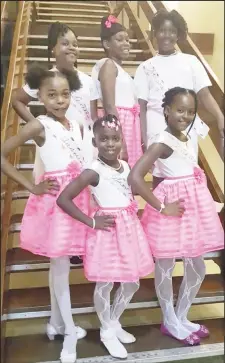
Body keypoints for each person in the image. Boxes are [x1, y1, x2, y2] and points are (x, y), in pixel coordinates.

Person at [2, 65, 93, 363]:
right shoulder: (38, 125)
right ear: (39, 96)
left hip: (76, 200)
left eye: (65, 94)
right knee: (61, 268)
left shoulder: (76, 123)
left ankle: (56, 322)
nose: (59, 100)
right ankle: (68, 332)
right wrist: (31, 185)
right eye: (51, 95)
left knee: (62, 266)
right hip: (55, 204)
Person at [128, 87, 224, 346]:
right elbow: (134, 177)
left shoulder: (185, 137)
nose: (186, 116)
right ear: (167, 110)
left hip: (193, 210)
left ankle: (181, 316)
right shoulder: (161, 141)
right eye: (180, 110)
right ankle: (169, 319)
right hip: (171, 211)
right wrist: (161, 207)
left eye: (191, 112)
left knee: (198, 267)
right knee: (166, 266)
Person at [56, 115, 154, 359]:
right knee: (107, 283)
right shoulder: (92, 170)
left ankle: (113, 322)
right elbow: (63, 199)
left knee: (132, 281)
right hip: (108, 232)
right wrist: (91, 221)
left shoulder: (126, 166)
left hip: (128, 230)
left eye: (115, 138)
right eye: (104, 139)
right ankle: (106, 332)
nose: (110, 144)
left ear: (121, 139)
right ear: (95, 141)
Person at [134, 9, 224, 181]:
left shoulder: (191, 62)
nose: (166, 35)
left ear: (178, 35)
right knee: (161, 175)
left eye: (172, 31)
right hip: (157, 125)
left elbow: (204, 95)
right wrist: (145, 140)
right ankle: (162, 207)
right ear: (155, 33)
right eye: (162, 30)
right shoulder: (145, 67)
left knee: (186, 173)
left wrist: (220, 117)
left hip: (186, 125)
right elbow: (142, 108)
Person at [12, 21, 99, 181]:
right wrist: (42, 128)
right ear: (53, 48)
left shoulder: (88, 81)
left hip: (84, 144)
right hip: (56, 148)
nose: (72, 47)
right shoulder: (46, 79)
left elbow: (92, 118)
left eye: (75, 44)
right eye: (65, 43)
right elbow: (17, 100)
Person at [91, 15, 142, 167]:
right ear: (106, 43)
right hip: (119, 123)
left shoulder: (119, 68)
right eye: (119, 40)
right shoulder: (108, 65)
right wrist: (120, 139)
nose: (126, 43)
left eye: (127, 40)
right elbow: (109, 105)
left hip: (129, 123)